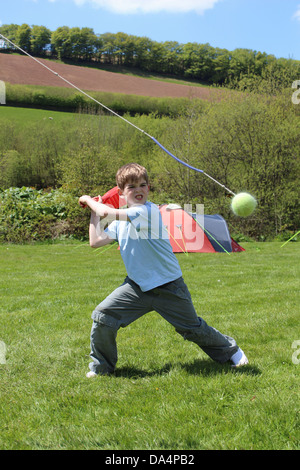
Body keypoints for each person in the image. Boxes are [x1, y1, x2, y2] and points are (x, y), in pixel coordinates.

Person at [79, 163, 248, 378]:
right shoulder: (121, 218)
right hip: (137, 287)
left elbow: (104, 211)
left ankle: (232, 352)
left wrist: (89, 201)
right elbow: (96, 241)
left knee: (192, 329)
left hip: (168, 286)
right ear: (121, 193)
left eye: (143, 185)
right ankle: (102, 369)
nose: (138, 190)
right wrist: (94, 214)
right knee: (103, 316)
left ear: (149, 188)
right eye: (131, 187)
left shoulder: (147, 211)